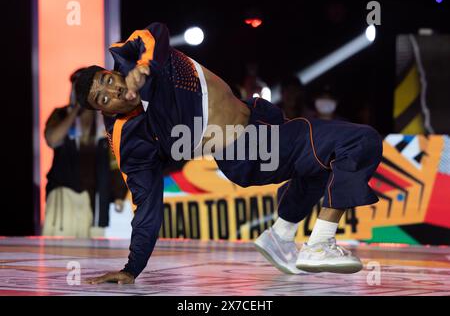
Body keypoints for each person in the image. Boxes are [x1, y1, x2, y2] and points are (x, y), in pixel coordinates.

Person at [78, 22, 382, 284]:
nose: (113, 91)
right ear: (103, 111)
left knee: (318, 165)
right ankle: (319, 244)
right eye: (102, 98)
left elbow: (156, 31)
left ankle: (280, 235)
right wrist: (132, 268)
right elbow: (146, 204)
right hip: (247, 149)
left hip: (260, 123)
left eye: (107, 81)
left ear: (112, 72)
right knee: (360, 141)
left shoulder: (136, 55)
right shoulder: (130, 139)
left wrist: (144, 68)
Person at [43, 68, 128, 237]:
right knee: (61, 255)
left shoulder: (106, 122)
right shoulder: (61, 114)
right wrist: (75, 110)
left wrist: (119, 193)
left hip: (95, 201)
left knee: (93, 258)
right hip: (65, 196)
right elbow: (52, 140)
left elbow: (115, 160)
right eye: (80, 88)